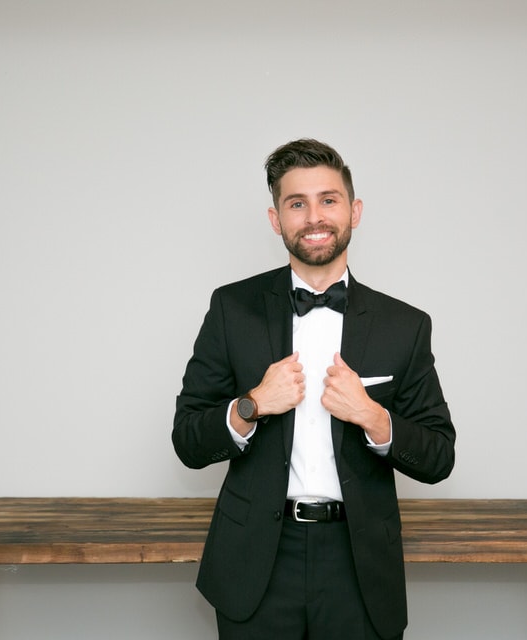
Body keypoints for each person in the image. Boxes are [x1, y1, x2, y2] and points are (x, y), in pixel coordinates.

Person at [173, 138, 456, 640]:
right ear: (275, 219)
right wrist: (251, 405)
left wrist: (373, 417)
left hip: (360, 561)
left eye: (329, 200)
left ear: (355, 210)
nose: (314, 217)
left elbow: (438, 457)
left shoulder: (405, 325)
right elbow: (188, 442)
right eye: (296, 203)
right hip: (256, 561)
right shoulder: (230, 309)